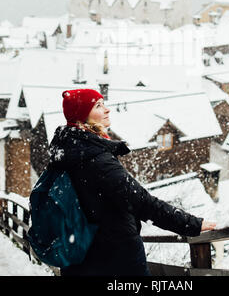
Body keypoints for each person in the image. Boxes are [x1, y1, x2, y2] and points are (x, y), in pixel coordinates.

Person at [48, 88, 217, 276]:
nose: (107, 110)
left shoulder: (66, 149)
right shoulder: (95, 159)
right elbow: (142, 202)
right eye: (98, 106)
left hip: (83, 255)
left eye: (103, 103)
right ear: (82, 117)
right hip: (113, 258)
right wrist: (191, 224)